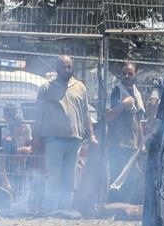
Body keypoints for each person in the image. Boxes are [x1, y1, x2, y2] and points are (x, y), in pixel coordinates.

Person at [34, 55, 97, 213]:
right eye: (63, 66)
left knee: (69, 177)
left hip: (75, 139)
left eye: (69, 66)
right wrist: (36, 138)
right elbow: (39, 115)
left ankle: (65, 208)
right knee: (54, 177)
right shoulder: (46, 88)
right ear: (57, 68)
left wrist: (91, 134)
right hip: (54, 140)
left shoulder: (80, 87)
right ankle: (50, 208)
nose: (67, 70)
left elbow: (86, 113)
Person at [105, 62, 145, 203]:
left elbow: (138, 121)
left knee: (130, 179)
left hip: (132, 146)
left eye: (130, 73)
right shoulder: (115, 91)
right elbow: (108, 116)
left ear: (135, 75)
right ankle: (114, 207)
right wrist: (122, 105)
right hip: (118, 145)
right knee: (117, 179)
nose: (127, 76)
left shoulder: (136, 93)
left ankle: (125, 207)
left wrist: (142, 143)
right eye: (124, 74)